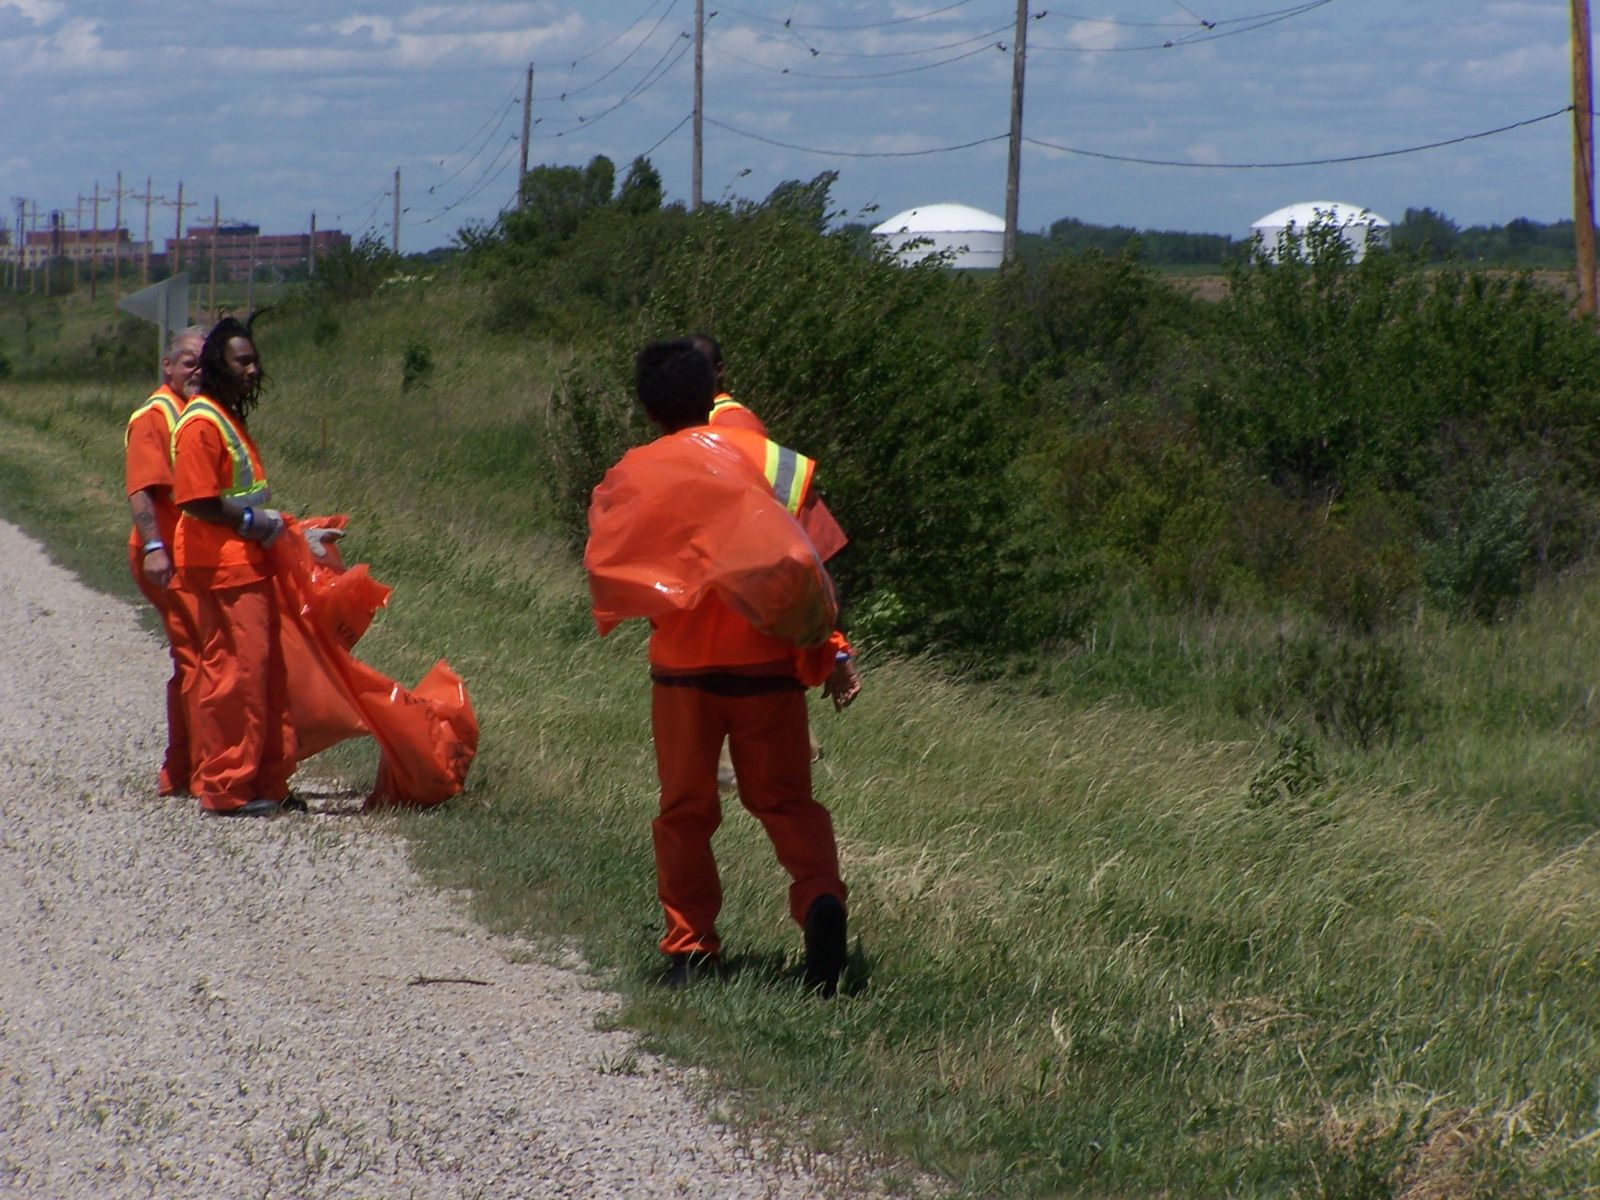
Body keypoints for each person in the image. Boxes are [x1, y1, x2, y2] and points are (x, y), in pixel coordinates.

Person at [587, 339, 854, 995]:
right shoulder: (772, 461)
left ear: (649, 411)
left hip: (682, 674)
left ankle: (691, 951)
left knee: (684, 812)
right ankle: (821, 902)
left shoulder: (632, 472)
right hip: (768, 669)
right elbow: (811, 571)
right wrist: (833, 651)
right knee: (788, 803)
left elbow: (615, 569)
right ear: (717, 390)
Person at [170, 315, 295, 818]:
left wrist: (289, 528)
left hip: (246, 565)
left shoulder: (226, 419)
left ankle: (265, 782)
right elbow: (197, 500)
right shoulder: (202, 423)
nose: (253, 369)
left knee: (264, 677)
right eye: (243, 360)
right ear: (218, 364)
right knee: (235, 679)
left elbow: (245, 493)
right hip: (224, 569)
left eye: (255, 360)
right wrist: (250, 521)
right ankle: (226, 787)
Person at [124, 326, 206, 796]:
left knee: (194, 658)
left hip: (189, 555)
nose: (197, 370)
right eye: (189, 361)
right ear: (168, 365)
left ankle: (180, 770)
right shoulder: (155, 416)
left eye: (203, 362)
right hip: (164, 555)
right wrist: (155, 548)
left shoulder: (193, 411)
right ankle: (195, 770)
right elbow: (141, 488)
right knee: (198, 660)